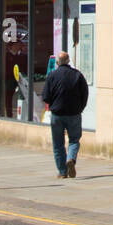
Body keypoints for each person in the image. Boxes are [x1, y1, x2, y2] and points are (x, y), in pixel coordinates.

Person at [40, 51, 89, 179]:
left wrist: (53, 104)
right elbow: (85, 94)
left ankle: (62, 172)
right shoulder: (77, 75)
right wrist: (80, 107)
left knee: (58, 144)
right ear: (68, 61)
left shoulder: (52, 76)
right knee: (74, 140)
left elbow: (45, 96)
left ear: (57, 62)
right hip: (74, 113)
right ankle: (71, 159)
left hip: (57, 114)